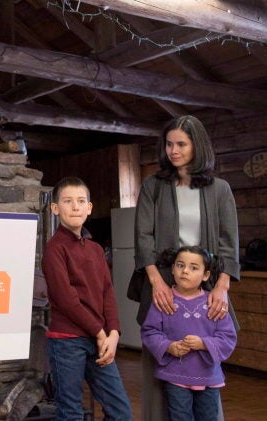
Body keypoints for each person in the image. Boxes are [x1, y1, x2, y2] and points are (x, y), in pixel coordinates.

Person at [134, 115, 240, 420]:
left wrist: (221, 286)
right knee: (162, 356)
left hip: (207, 286)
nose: (173, 150)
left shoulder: (220, 189)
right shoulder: (153, 185)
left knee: (206, 362)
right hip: (163, 285)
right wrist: (156, 282)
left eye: (181, 144)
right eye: (169, 144)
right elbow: (142, 237)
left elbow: (229, 242)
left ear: (198, 146)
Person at [42, 176, 132, 420]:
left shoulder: (95, 250)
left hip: (100, 340)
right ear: (55, 208)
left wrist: (114, 333)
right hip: (67, 342)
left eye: (81, 201)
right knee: (71, 411)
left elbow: (107, 293)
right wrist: (100, 332)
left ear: (89, 208)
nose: (75, 206)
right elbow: (66, 300)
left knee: (120, 411)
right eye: (68, 201)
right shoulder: (54, 249)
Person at [141, 246, 237, 421]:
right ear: (172, 269)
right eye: (180, 265)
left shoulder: (214, 302)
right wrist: (169, 346)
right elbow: (149, 331)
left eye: (194, 268)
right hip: (175, 377)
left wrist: (203, 344)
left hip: (209, 378)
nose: (185, 271)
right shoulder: (163, 301)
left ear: (206, 275)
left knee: (208, 417)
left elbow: (228, 337)